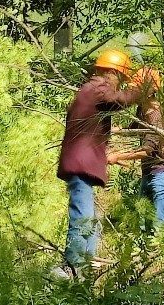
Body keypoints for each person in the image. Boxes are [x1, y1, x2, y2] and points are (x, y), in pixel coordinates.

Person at [54, 47, 144, 276]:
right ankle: (71, 266)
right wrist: (142, 87)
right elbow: (120, 100)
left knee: (92, 221)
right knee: (83, 218)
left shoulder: (90, 90)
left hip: (81, 163)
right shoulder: (97, 87)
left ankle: (84, 266)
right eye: (121, 79)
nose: (120, 85)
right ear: (112, 73)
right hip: (81, 164)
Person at [107, 67, 164, 230]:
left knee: (160, 222)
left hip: (161, 172)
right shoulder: (142, 109)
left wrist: (119, 156)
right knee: (143, 219)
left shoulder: (156, 117)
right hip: (148, 171)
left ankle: (163, 245)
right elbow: (135, 128)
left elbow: (147, 150)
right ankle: (144, 244)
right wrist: (116, 130)